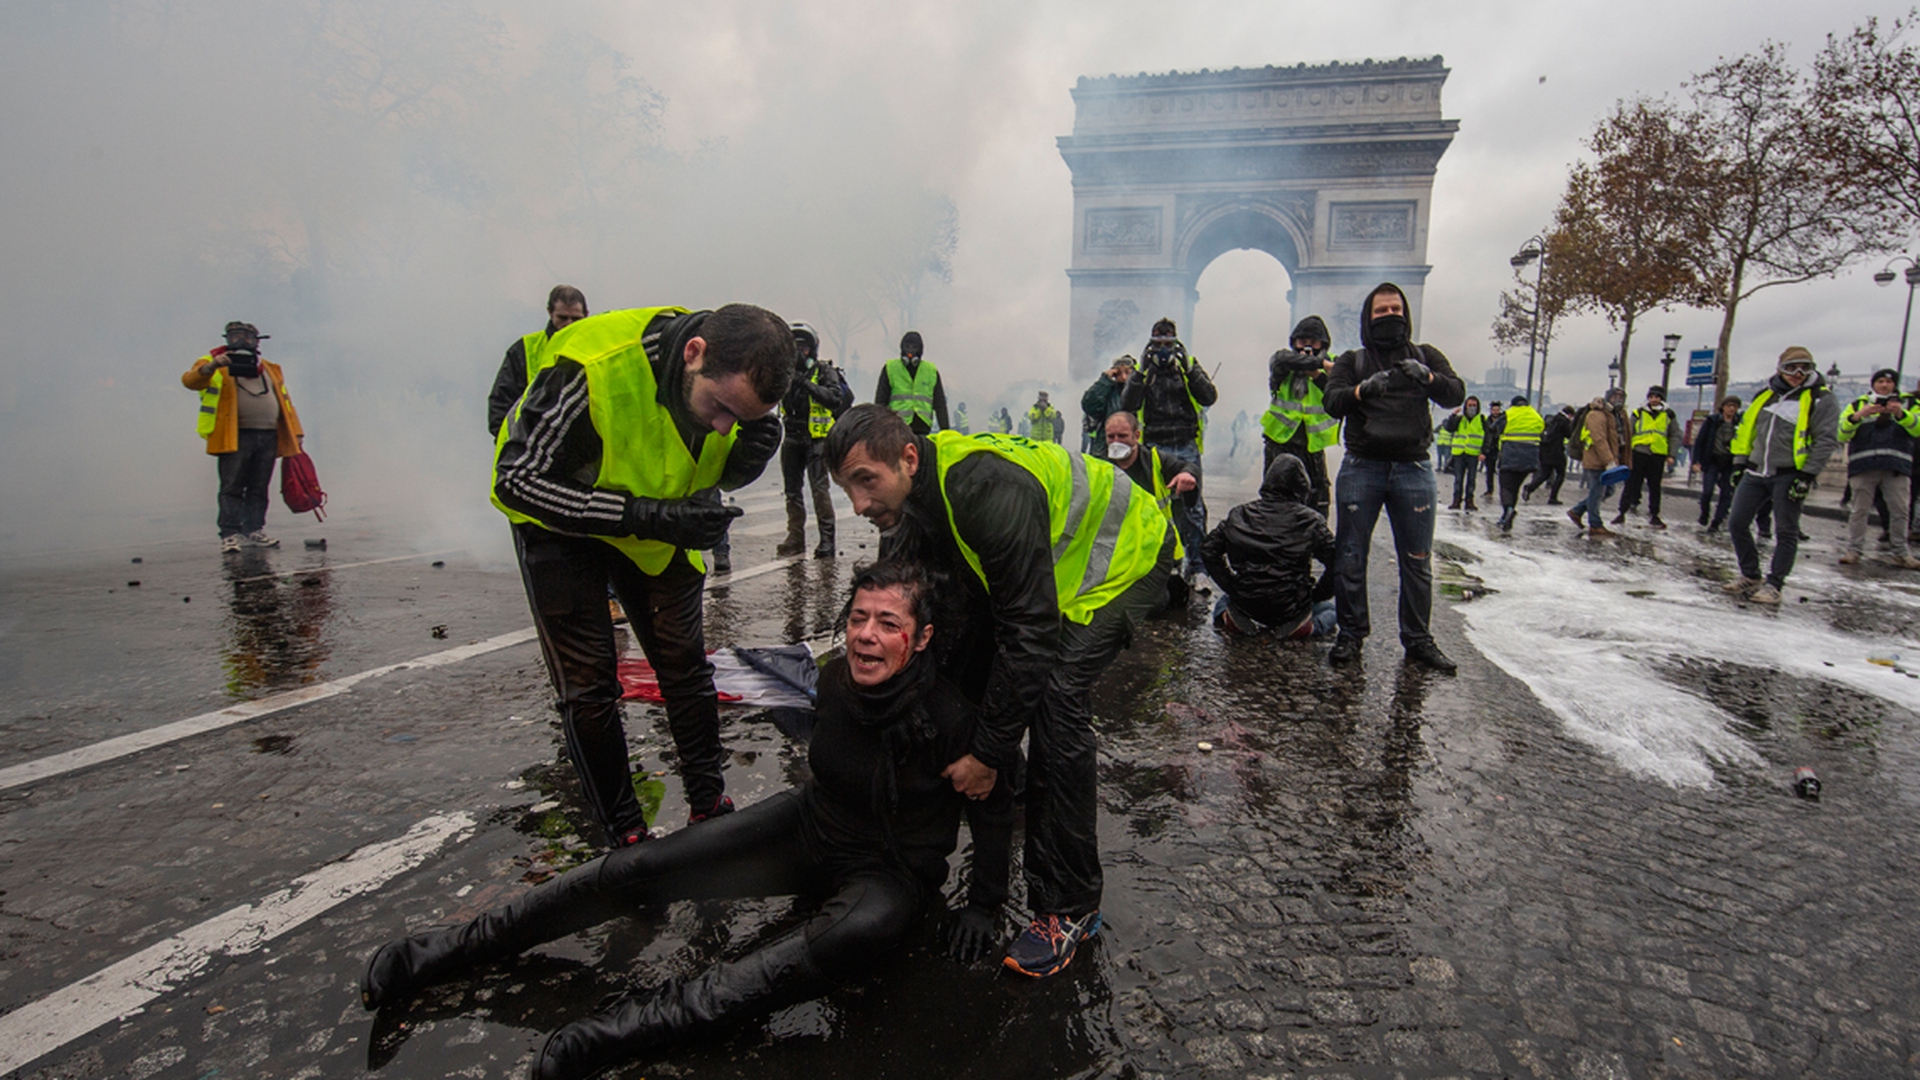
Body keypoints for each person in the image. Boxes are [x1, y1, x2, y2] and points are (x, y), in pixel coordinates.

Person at [359, 561, 1013, 1080]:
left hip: (890, 875)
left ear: (922, 638)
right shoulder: (833, 677)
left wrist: (982, 905)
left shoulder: (955, 721)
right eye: (860, 617)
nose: (867, 633)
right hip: (812, 829)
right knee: (643, 865)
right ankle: (442, 951)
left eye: (889, 623)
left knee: (797, 956)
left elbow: (995, 809)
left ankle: (618, 1033)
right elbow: (765, 698)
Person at [824, 404, 1175, 977]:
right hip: (1045, 573)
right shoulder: (909, 504)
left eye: (867, 482)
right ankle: (1007, 801)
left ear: (908, 458)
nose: (859, 506)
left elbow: (1029, 634)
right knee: (969, 657)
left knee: (1055, 695)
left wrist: (986, 753)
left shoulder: (986, 492)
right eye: (847, 488)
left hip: (1128, 558)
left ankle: (1069, 905)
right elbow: (917, 624)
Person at [493, 304, 791, 844]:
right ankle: (624, 832)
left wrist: (747, 459)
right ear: (693, 354)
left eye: (740, 419)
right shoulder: (591, 369)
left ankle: (709, 805)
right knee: (589, 687)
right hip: (561, 528)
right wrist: (644, 516)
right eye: (720, 407)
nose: (724, 424)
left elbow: (716, 456)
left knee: (684, 664)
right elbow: (515, 479)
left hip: (662, 521)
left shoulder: (738, 396)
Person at [1323, 282, 1467, 673]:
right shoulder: (1351, 361)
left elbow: (1455, 394)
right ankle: (1350, 635)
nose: (1390, 317)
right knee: (1351, 558)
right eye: (1381, 311)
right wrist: (1360, 391)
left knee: (1417, 561)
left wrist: (1428, 378)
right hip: (1362, 467)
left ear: (1406, 315)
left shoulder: (1427, 356)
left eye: (1395, 310)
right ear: (1367, 319)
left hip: (1413, 468)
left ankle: (1419, 640)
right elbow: (1331, 402)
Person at [1723, 347, 1841, 604]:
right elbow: (1747, 431)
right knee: (1736, 522)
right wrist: (1739, 464)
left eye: (1805, 368)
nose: (1798, 374)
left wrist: (1807, 475)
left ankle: (1775, 583)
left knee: (1786, 531)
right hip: (1756, 470)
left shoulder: (1821, 399)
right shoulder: (1764, 396)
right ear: (1780, 369)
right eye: (1791, 368)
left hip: (1789, 473)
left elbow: (1825, 440)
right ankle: (1751, 574)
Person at [182, 321, 305, 552]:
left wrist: (296, 432)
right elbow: (190, 381)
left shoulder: (269, 368)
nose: (241, 341)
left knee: (259, 487)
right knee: (232, 487)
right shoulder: (213, 362)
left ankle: (254, 529)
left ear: (258, 341)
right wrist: (212, 368)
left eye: (247, 337)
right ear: (226, 338)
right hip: (235, 435)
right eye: (235, 336)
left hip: (267, 435)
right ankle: (229, 534)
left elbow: (286, 402)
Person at [1200, 452, 1337, 639]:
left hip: (1248, 602)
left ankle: (1227, 617)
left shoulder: (1240, 514)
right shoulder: (1310, 521)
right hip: (1291, 607)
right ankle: (1308, 627)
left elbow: (1208, 549)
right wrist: (1317, 595)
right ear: (1302, 487)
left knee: (1223, 602)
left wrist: (1232, 586)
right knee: (1331, 610)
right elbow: (1339, 561)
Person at [1120, 317, 1219, 575]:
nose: (1163, 349)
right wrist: (1140, 371)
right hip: (1155, 446)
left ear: (1176, 344)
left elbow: (1209, 396)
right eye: (1158, 344)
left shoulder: (1188, 368)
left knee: (1193, 509)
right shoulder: (1144, 373)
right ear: (1150, 345)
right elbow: (1127, 404)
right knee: (1153, 506)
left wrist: (1189, 369)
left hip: (1185, 444)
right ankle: (1158, 564)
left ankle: (1198, 568)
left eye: (1168, 343)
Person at [771, 323, 854, 559]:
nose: (800, 353)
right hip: (792, 439)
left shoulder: (823, 372)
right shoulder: (784, 373)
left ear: (813, 350)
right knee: (792, 492)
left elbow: (834, 398)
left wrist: (806, 384)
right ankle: (795, 537)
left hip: (817, 441)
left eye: (804, 348)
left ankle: (827, 539)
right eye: (795, 348)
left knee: (820, 491)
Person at [1102, 410, 1197, 606]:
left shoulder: (1156, 461)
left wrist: (1187, 475)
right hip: (1116, 549)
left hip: (1155, 547)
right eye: (1111, 436)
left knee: (1164, 602)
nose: (1116, 442)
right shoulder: (1097, 465)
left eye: (1122, 436)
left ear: (1136, 436)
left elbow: (1187, 467)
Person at [1838, 368, 1920, 568]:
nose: (1884, 385)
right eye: (1880, 381)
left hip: (1896, 466)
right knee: (1859, 510)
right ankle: (1854, 550)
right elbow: (1842, 434)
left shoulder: (1910, 404)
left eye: (1889, 382)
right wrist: (1860, 415)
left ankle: (1900, 552)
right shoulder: (1858, 404)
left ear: (1895, 385)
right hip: (1864, 465)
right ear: (1873, 384)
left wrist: (1901, 414)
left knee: (1900, 511)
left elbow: (1917, 429)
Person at [488, 285, 589, 438]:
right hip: (530, 448)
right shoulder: (524, 349)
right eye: (562, 318)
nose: (569, 324)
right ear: (550, 312)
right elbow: (501, 404)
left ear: (586, 315)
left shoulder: (595, 351)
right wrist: (514, 446)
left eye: (575, 319)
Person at [1261, 315, 1337, 518]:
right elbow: (1286, 359)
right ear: (1293, 343)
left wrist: (1318, 375)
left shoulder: (1334, 366)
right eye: (1302, 342)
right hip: (1280, 442)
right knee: (1276, 503)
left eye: (1314, 343)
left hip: (1313, 447)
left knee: (1317, 501)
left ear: (1324, 344)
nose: (1307, 347)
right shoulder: (1282, 361)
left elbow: (1337, 396)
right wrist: (1318, 362)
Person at [1614, 386, 1680, 529]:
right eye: (1651, 397)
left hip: (1658, 453)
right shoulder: (1638, 413)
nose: (1654, 399)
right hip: (1639, 452)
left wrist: (1671, 454)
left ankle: (1654, 514)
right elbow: (1629, 433)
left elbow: (1674, 435)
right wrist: (1625, 452)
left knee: (1655, 486)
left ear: (1661, 399)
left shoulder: (1669, 415)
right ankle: (1621, 512)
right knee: (1631, 484)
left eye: (1657, 397)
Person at [873, 330, 949, 435]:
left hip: (922, 428)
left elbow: (940, 404)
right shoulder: (890, 368)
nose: (910, 351)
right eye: (907, 346)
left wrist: (946, 432)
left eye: (914, 347)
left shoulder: (931, 371)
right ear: (902, 348)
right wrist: (879, 428)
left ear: (920, 350)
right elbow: (880, 402)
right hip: (896, 427)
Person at [1569, 394, 1624, 537]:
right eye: (1615, 397)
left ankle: (1577, 511)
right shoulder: (1596, 415)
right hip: (1596, 459)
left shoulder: (1610, 415)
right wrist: (1609, 460)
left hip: (1604, 459)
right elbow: (1599, 439)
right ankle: (1595, 524)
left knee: (1607, 491)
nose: (1618, 400)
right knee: (1597, 492)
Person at [1494, 395, 1543, 532]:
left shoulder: (1510, 414)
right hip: (1530, 458)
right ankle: (1507, 516)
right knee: (1515, 486)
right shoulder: (1536, 415)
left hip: (1511, 455)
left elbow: (1495, 428)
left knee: (1506, 486)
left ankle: (1508, 509)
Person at [1693, 396, 1742, 530]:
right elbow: (1700, 441)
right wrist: (1696, 461)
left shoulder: (1740, 423)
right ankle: (1704, 514)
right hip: (1712, 460)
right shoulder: (1712, 421)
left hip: (1730, 462)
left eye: (1735, 406)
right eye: (1729, 405)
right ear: (1723, 407)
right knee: (1707, 491)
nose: (1732, 409)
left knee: (1727, 493)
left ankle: (1717, 521)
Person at [1080, 355, 1134, 453]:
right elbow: (1089, 405)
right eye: (1119, 373)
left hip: (1132, 447)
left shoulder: (1140, 391)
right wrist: (1104, 380)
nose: (1123, 377)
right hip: (1106, 448)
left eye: (1127, 372)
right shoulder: (1108, 391)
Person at [1523, 404, 1575, 505]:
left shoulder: (1551, 419)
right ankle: (1553, 497)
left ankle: (1529, 488)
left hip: (1545, 451)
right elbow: (1569, 435)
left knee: (1545, 474)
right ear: (1570, 415)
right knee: (1560, 474)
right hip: (1556, 452)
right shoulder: (1563, 421)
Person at [1443, 397, 1484, 511]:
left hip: (1473, 453)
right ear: (1465, 406)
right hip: (1459, 453)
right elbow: (1449, 428)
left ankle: (1469, 501)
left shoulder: (1481, 419)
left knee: (1471, 479)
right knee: (1458, 479)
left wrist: (1484, 452)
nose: (1472, 408)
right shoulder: (1460, 419)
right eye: (1469, 405)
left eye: (1474, 405)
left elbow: (1487, 436)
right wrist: (1453, 416)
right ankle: (1456, 501)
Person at [1481, 400, 1505, 498]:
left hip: (1501, 448)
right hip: (1490, 448)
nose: (1495, 412)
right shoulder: (1487, 421)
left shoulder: (1504, 421)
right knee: (1489, 471)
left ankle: (1504, 491)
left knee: (1503, 472)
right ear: (1491, 411)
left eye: (1497, 410)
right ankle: (1490, 490)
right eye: (1494, 410)